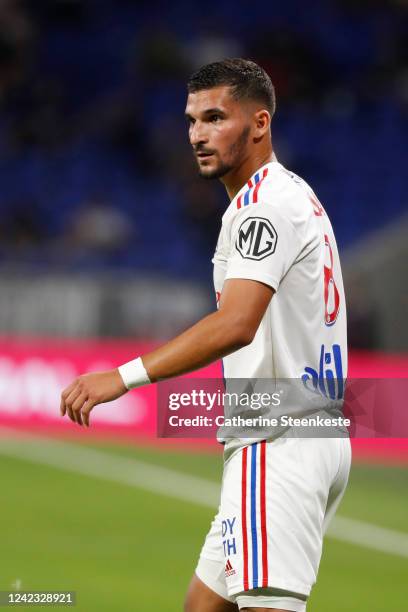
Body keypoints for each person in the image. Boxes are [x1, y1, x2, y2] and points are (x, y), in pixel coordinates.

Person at [60, 58, 351, 612]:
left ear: (259, 123)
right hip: (303, 428)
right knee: (203, 606)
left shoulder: (262, 208)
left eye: (215, 117)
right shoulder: (292, 194)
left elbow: (236, 324)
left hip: (278, 441)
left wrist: (121, 378)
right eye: (192, 120)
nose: (197, 134)